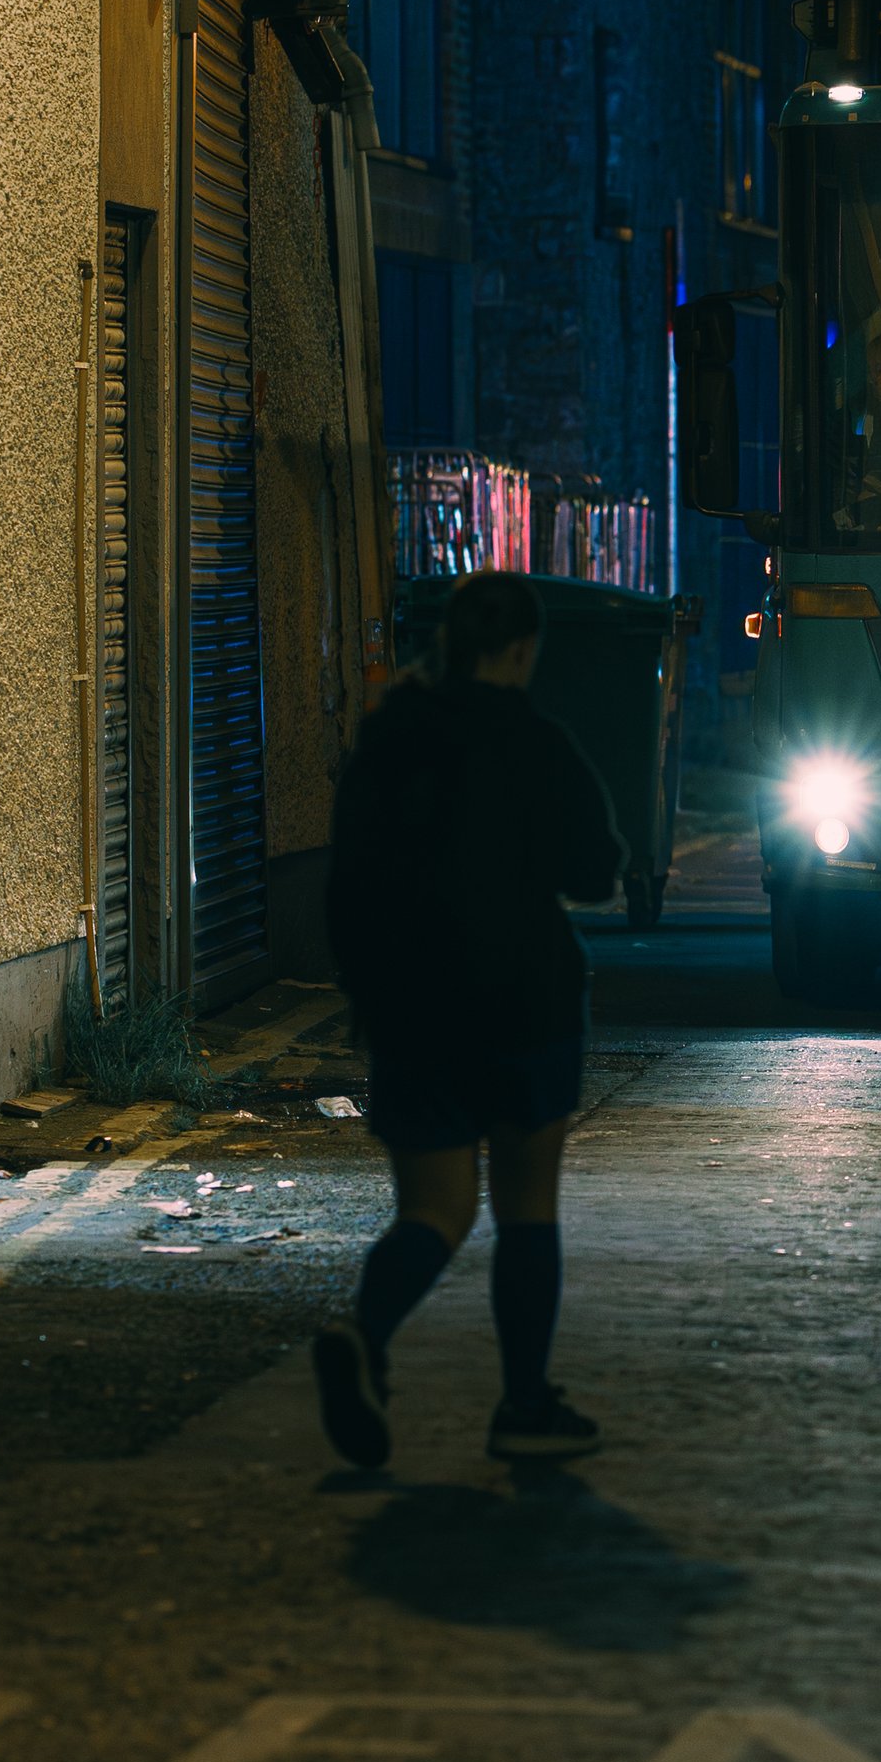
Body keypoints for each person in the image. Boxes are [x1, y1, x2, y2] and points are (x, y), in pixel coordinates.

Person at [313, 570, 624, 1470]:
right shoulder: (539, 744)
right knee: (527, 1207)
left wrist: (370, 991)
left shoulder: (391, 738)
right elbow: (598, 869)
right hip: (526, 1002)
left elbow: (349, 882)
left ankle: (364, 1335)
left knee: (435, 1210)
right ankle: (524, 1404)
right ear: (523, 648)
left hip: (414, 1008)